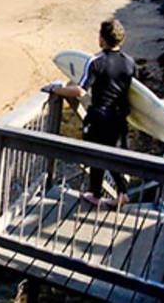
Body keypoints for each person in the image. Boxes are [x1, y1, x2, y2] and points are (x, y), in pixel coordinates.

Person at [44, 18, 136, 207]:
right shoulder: (130, 63)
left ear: (102, 39)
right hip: (119, 117)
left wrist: (55, 90)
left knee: (95, 154)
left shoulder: (96, 62)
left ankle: (95, 194)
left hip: (99, 117)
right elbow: (135, 92)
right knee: (115, 154)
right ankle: (122, 193)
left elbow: (80, 90)